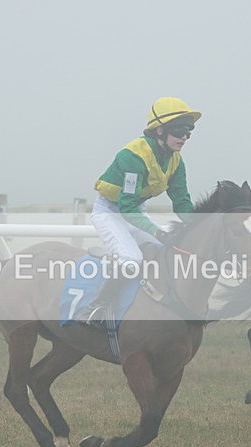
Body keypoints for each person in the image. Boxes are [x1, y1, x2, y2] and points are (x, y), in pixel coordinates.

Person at [76, 96, 201, 325]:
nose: (184, 137)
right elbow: (127, 207)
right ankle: (95, 309)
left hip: (135, 210)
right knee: (132, 260)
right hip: (111, 212)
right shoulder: (133, 157)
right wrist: (157, 231)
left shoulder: (176, 161)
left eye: (189, 132)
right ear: (160, 131)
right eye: (179, 131)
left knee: (161, 253)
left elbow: (182, 203)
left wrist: (200, 226)